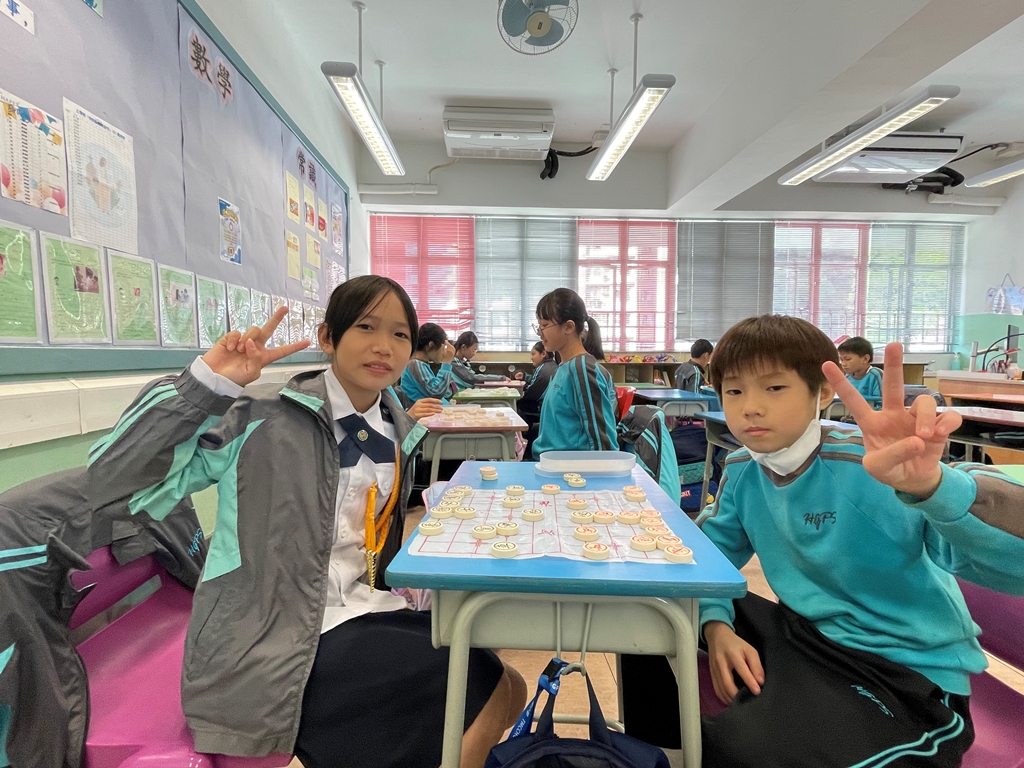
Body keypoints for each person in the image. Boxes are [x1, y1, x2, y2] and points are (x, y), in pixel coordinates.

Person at [85, 276, 526, 768]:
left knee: (510, 684)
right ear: (327, 338)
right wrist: (206, 384)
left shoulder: (397, 431)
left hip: (357, 610)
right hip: (270, 638)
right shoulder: (260, 418)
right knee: (480, 683)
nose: (384, 345)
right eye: (366, 327)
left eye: (400, 334)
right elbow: (113, 479)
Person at [694, 315, 1024, 768]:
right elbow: (705, 558)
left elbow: (1009, 565)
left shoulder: (877, 463)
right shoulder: (743, 470)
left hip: (902, 671)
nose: (750, 407)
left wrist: (933, 487)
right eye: (734, 391)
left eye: (774, 388)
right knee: (656, 619)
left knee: (749, 749)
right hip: (807, 638)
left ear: (822, 393)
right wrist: (716, 625)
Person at [530, 288, 617, 458]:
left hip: (569, 469)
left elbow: (602, 441)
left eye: (545, 326)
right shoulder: (564, 367)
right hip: (551, 464)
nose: (540, 333)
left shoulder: (582, 370)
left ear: (569, 327)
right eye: (539, 326)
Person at [401, 322, 457, 403]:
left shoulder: (421, 364)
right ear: (431, 345)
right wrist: (446, 363)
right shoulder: (415, 364)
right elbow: (436, 392)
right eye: (441, 347)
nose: (442, 352)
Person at [519, 341, 559, 451]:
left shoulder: (543, 369)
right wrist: (525, 376)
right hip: (549, 406)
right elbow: (535, 382)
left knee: (517, 408)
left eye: (533, 354)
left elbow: (532, 393)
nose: (531, 358)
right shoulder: (551, 365)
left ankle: (523, 446)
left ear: (543, 354)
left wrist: (520, 396)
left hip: (542, 408)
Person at [838, 335, 883, 401]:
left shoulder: (876, 375)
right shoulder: (847, 377)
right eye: (841, 360)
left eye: (847, 359)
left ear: (865, 359)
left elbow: (881, 402)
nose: (843, 364)